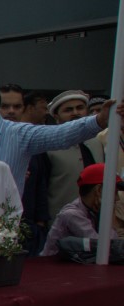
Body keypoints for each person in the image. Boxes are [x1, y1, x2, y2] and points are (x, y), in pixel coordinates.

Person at [42, 163, 123, 263]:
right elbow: (106, 249)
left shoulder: (92, 210)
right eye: (114, 192)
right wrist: (110, 218)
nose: (117, 198)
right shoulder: (72, 214)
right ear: (98, 190)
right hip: (51, 266)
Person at [44, 91, 104, 224]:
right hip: (60, 221)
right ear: (56, 115)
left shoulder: (97, 141)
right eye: (68, 110)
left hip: (98, 219)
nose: (75, 113)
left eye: (80, 108)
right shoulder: (48, 145)